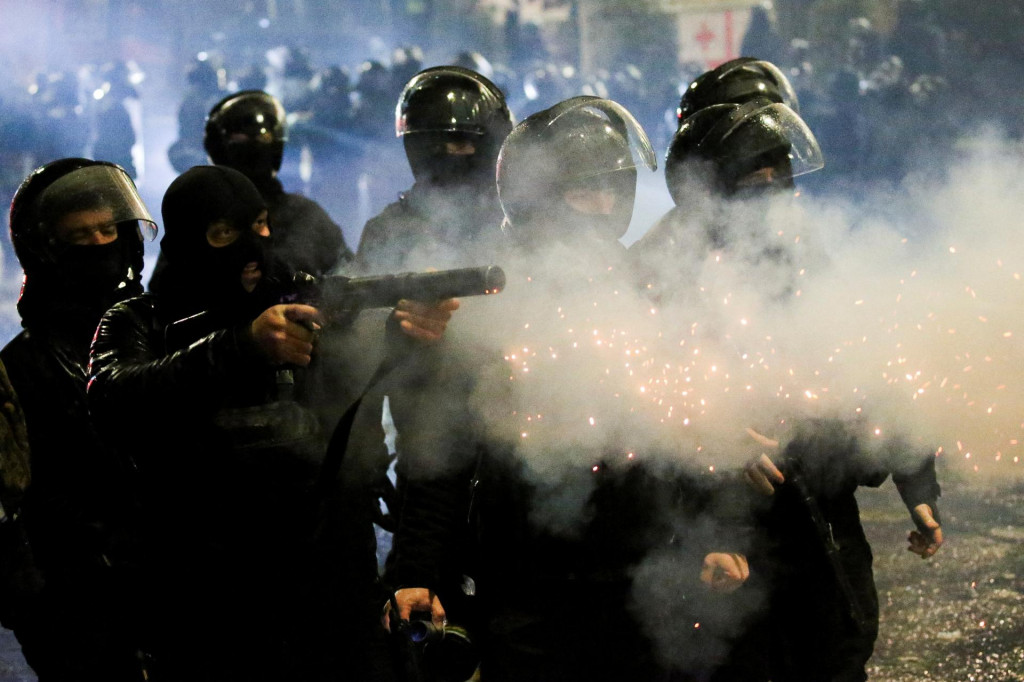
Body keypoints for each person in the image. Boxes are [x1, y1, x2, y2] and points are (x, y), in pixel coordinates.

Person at [383, 97, 751, 682]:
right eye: (584, 192)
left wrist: (719, 530)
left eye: (613, 190)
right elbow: (441, 450)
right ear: (539, 199)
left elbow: (691, 423)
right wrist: (417, 568)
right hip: (525, 583)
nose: (603, 208)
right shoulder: (489, 300)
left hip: (644, 575)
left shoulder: (649, 289)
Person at [87, 165, 456, 681]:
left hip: (327, 583)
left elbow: (386, 370)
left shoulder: (301, 300)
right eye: (225, 234)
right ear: (192, 240)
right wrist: (242, 346)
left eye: (261, 224)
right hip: (206, 595)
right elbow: (115, 396)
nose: (253, 246)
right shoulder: (140, 321)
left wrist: (405, 329)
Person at [1, 158, 158, 680]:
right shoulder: (26, 362)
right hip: (80, 597)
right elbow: (31, 494)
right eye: (80, 235)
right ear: (47, 251)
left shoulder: (155, 330)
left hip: (165, 580)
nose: (99, 245)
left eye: (107, 229)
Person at [356, 65, 514, 273]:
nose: (445, 157)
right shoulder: (388, 230)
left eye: (459, 144)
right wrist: (402, 306)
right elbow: (362, 300)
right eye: (432, 146)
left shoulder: (518, 221)